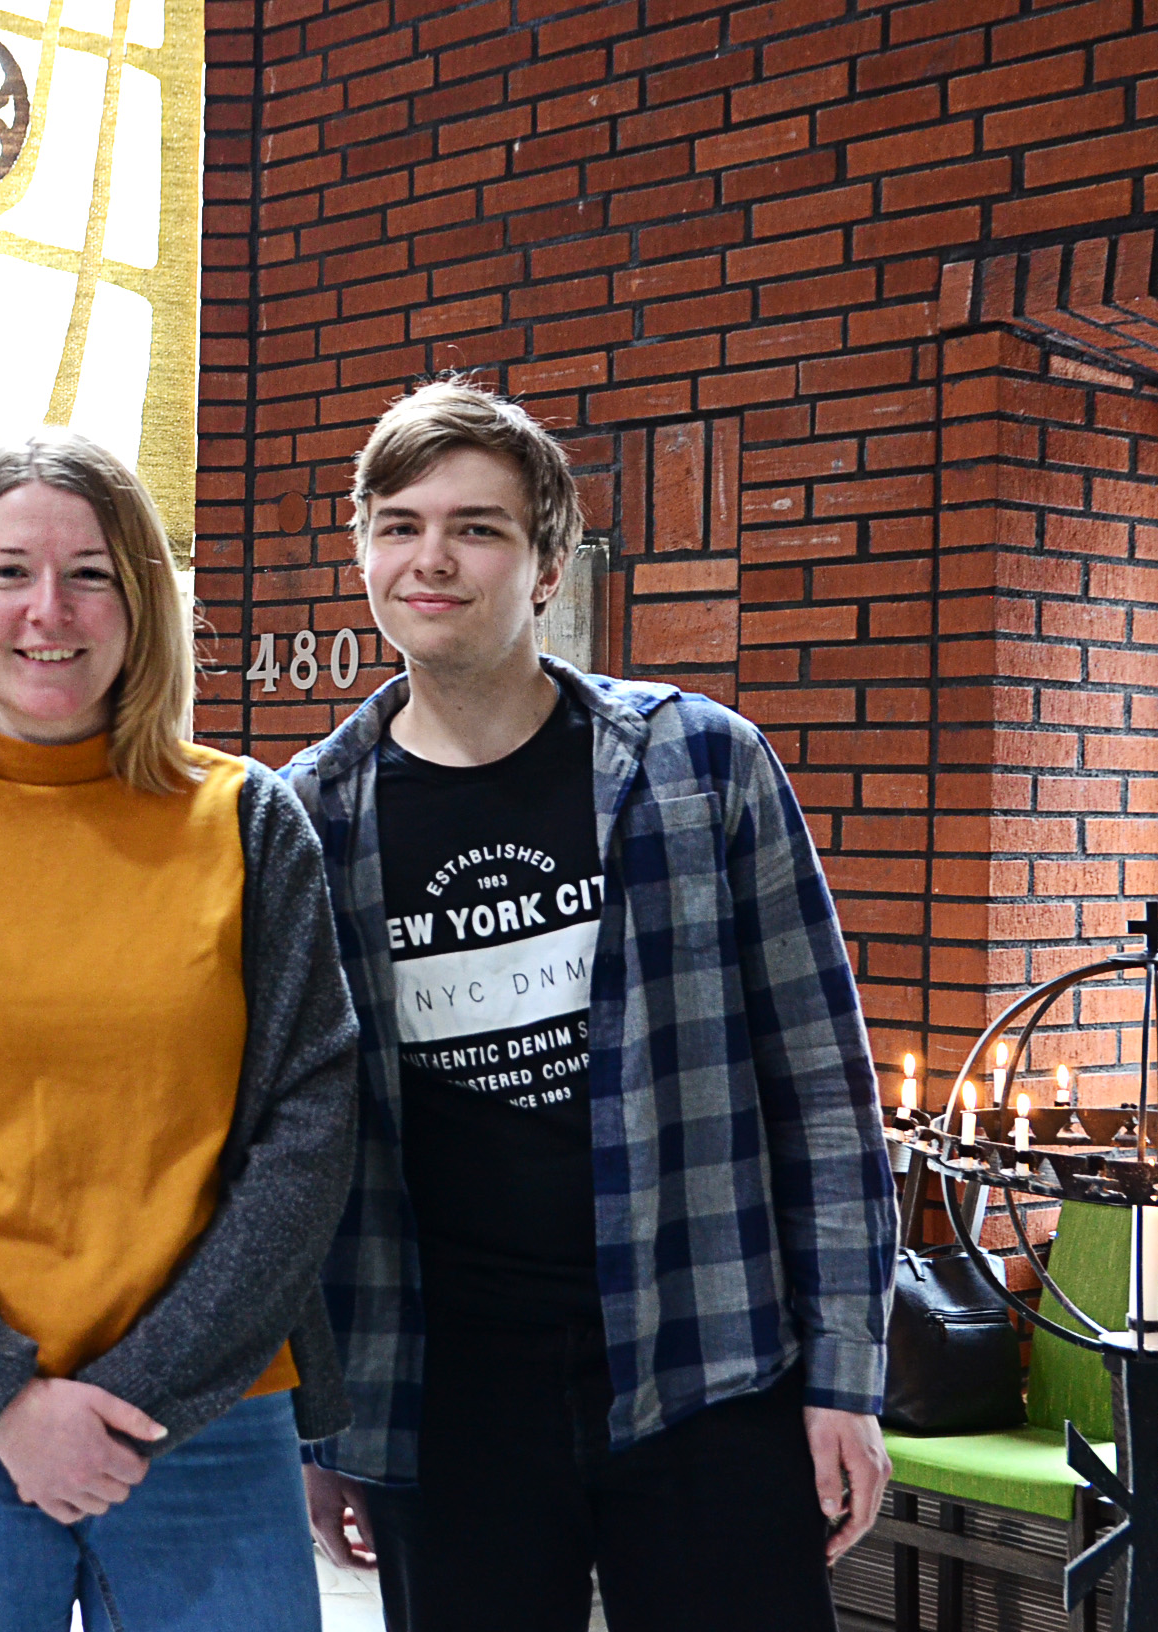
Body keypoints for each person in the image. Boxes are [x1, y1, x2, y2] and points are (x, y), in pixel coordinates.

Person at [285, 379, 896, 1632]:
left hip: (704, 1357)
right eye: (396, 525)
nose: (430, 558)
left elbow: (823, 1091)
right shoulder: (306, 816)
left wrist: (846, 1377)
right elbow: (298, 1147)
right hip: (445, 1385)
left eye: (477, 527)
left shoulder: (697, 764)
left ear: (548, 559)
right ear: (361, 553)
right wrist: (320, 1411)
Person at [0, 427, 360, 1632]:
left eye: (91, 571)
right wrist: (4, 1401)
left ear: (141, 601)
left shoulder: (250, 824)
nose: (51, 609)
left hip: (205, 1417)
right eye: (9, 571)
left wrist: (135, 1397)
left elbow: (309, 1134)